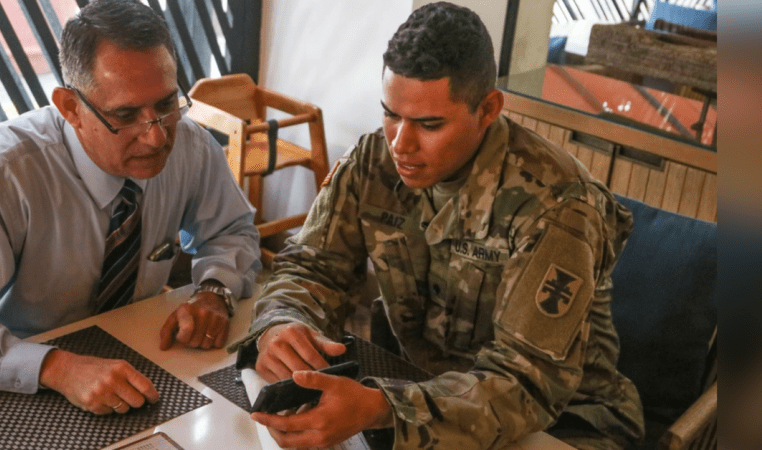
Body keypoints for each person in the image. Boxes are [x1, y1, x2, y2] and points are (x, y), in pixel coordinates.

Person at [232, 3, 645, 449]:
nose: (400, 144)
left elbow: (526, 382)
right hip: (419, 389)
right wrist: (283, 323)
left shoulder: (558, 206)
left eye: (429, 125)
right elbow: (311, 267)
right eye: (391, 114)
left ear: (488, 109)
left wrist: (382, 408)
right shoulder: (374, 160)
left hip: (562, 426)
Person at [0, 0, 261, 415]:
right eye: (126, 115)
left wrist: (214, 290)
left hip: (141, 354)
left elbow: (232, 229)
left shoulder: (188, 143)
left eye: (167, 105)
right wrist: (55, 367)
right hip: (15, 375)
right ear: (70, 107)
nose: (156, 139)